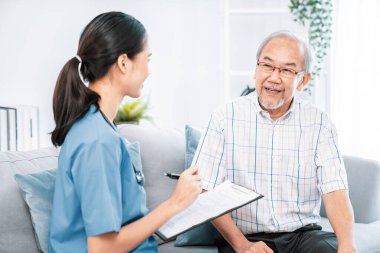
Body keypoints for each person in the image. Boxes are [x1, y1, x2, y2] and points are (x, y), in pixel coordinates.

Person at [48, 11, 202, 253]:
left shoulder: (98, 128)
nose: (149, 71)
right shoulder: (97, 140)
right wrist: (176, 203)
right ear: (123, 62)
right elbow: (102, 248)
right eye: (147, 59)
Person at [193, 31, 356, 253]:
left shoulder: (320, 123)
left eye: (287, 70)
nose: (274, 77)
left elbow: (335, 190)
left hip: (304, 236)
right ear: (256, 69)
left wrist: (347, 245)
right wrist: (242, 245)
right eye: (267, 66)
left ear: (303, 81)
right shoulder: (224, 117)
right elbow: (205, 190)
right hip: (244, 237)